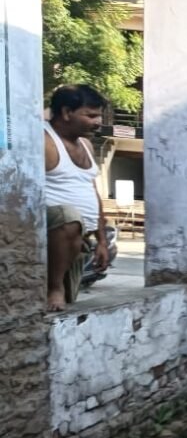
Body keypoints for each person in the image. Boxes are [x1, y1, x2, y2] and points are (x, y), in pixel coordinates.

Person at [43, 85, 109, 311]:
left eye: (99, 115)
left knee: (68, 309)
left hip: (79, 240)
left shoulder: (87, 145)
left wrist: (101, 240)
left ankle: (59, 287)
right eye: (90, 115)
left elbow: (93, 193)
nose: (97, 121)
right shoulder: (45, 141)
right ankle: (54, 287)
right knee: (69, 215)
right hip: (56, 231)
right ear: (66, 112)